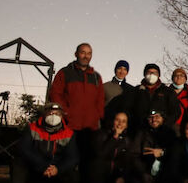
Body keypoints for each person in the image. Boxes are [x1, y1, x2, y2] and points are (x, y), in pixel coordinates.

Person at [48, 42, 103, 180]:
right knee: (66, 163)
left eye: (89, 53)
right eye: (83, 52)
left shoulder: (96, 77)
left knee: (87, 165)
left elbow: (100, 99)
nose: (86, 56)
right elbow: (55, 94)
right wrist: (65, 113)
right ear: (76, 54)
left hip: (90, 129)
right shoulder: (65, 73)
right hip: (69, 126)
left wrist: (97, 117)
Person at [14, 102, 79, 183]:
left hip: (56, 168)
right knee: (18, 162)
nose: (53, 116)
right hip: (35, 166)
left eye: (57, 114)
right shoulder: (32, 128)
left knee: (72, 172)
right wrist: (43, 166)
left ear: (61, 116)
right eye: (50, 113)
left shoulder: (69, 133)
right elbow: (24, 149)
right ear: (44, 114)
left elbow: (72, 157)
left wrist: (57, 169)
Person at [90, 111, 140, 183]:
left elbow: (127, 161)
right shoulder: (101, 134)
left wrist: (122, 177)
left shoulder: (127, 140)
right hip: (98, 176)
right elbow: (100, 155)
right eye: (117, 120)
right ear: (113, 121)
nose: (120, 124)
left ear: (126, 125)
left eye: (123, 121)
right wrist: (115, 137)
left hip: (114, 177)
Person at [130, 63, 181, 132]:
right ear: (144, 74)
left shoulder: (168, 91)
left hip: (164, 130)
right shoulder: (136, 91)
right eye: (149, 72)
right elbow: (129, 109)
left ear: (158, 75)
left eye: (155, 73)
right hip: (140, 130)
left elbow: (176, 111)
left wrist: (164, 123)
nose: (152, 74)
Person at [137, 109, 177, 182]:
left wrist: (163, 153)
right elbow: (134, 155)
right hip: (144, 174)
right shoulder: (142, 134)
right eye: (151, 117)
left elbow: (175, 154)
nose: (154, 120)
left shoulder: (170, 133)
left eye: (157, 116)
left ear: (163, 118)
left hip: (165, 174)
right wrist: (143, 173)